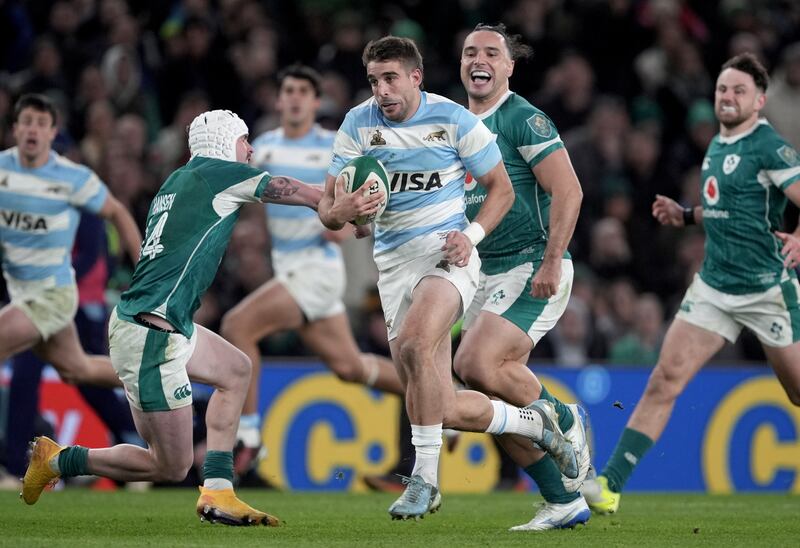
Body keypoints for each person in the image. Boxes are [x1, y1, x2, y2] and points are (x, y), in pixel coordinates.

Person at [21, 109, 323, 527]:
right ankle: (58, 460)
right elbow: (299, 192)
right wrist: (343, 201)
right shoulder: (218, 172)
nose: (250, 149)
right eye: (244, 139)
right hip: (151, 335)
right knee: (170, 466)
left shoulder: (177, 179)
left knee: (236, 370)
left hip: (163, 323)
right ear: (223, 143)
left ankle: (219, 490)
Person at [318, 35, 579, 520]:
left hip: (447, 257)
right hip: (393, 266)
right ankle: (534, 424)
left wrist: (471, 236)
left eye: (391, 78)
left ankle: (424, 481)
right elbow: (328, 210)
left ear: (416, 76)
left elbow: (501, 189)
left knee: (418, 343)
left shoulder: (454, 119)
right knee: (444, 404)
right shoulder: (357, 123)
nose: (382, 90)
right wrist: (345, 210)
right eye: (374, 80)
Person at [585, 53, 800, 514]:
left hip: (766, 289)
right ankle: (610, 486)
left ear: (760, 100)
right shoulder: (720, 145)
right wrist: (685, 216)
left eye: (739, 91)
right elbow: (732, 207)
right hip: (714, 287)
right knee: (665, 378)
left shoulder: (768, 146)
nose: (728, 97)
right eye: (723, 88)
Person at [220, 64, 403, 471]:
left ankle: (248, 436)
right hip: (287, 270)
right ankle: (438, 392)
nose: (296, 97)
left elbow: (370, 195)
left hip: (317, 270)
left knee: (237, 326)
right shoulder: (262, 147)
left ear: (316, 102)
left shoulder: (333, 148)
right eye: (289, 90)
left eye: (305, 90)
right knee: (350, 367)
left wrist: (355, 222)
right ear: (279, 99)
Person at [452, 24, 591, 531]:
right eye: (470, 52)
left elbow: (569, 191)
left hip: (531, 263)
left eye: (492, 52)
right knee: (492, 393)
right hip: (481, 272)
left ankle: (566, 419)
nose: (479, 59)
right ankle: (563, 500)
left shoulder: (522, 118)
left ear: (510, 66)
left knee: (474, 361)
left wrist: (552, 260)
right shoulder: (454, 122)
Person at [0, 93, 141, 388]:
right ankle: (152, 379)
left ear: (52, 132)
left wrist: (144, 273)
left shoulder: (73, 178)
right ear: (15, 129)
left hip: (52, 295)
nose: (33, 129)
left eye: (41, 123)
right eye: (26, 122)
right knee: (77, 369)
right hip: (20, 292)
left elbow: (117, 212)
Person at [4, 213, 142, 487]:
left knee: (84, 377)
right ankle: (12, 467)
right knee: (25, 377)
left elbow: (92, 253)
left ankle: (133, 437)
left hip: (79, 303)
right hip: (40, 302)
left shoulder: (79, 195)